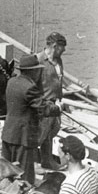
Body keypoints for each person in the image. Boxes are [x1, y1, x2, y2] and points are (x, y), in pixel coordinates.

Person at [1, 53, 61, 185]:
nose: (40, 72)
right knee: (25, 177)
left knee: (7, 173)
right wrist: (57, 108)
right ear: (33, 71)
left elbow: (25, 102)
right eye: (38, 70)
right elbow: (44, 109)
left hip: (8, 134)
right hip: (23, 138)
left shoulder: (12, 82)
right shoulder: (29, 87)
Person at [37, 32, 67, 170]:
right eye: (62, 47)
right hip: (45, 105)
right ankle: (31, 164)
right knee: (40, 136)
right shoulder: (38, 61)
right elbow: (30, 85)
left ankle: (47, 161)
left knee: (50, 135)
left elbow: (60, 80)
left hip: (57, 104)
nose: (64, 50)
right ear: (55, 46)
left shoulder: (58, 60)